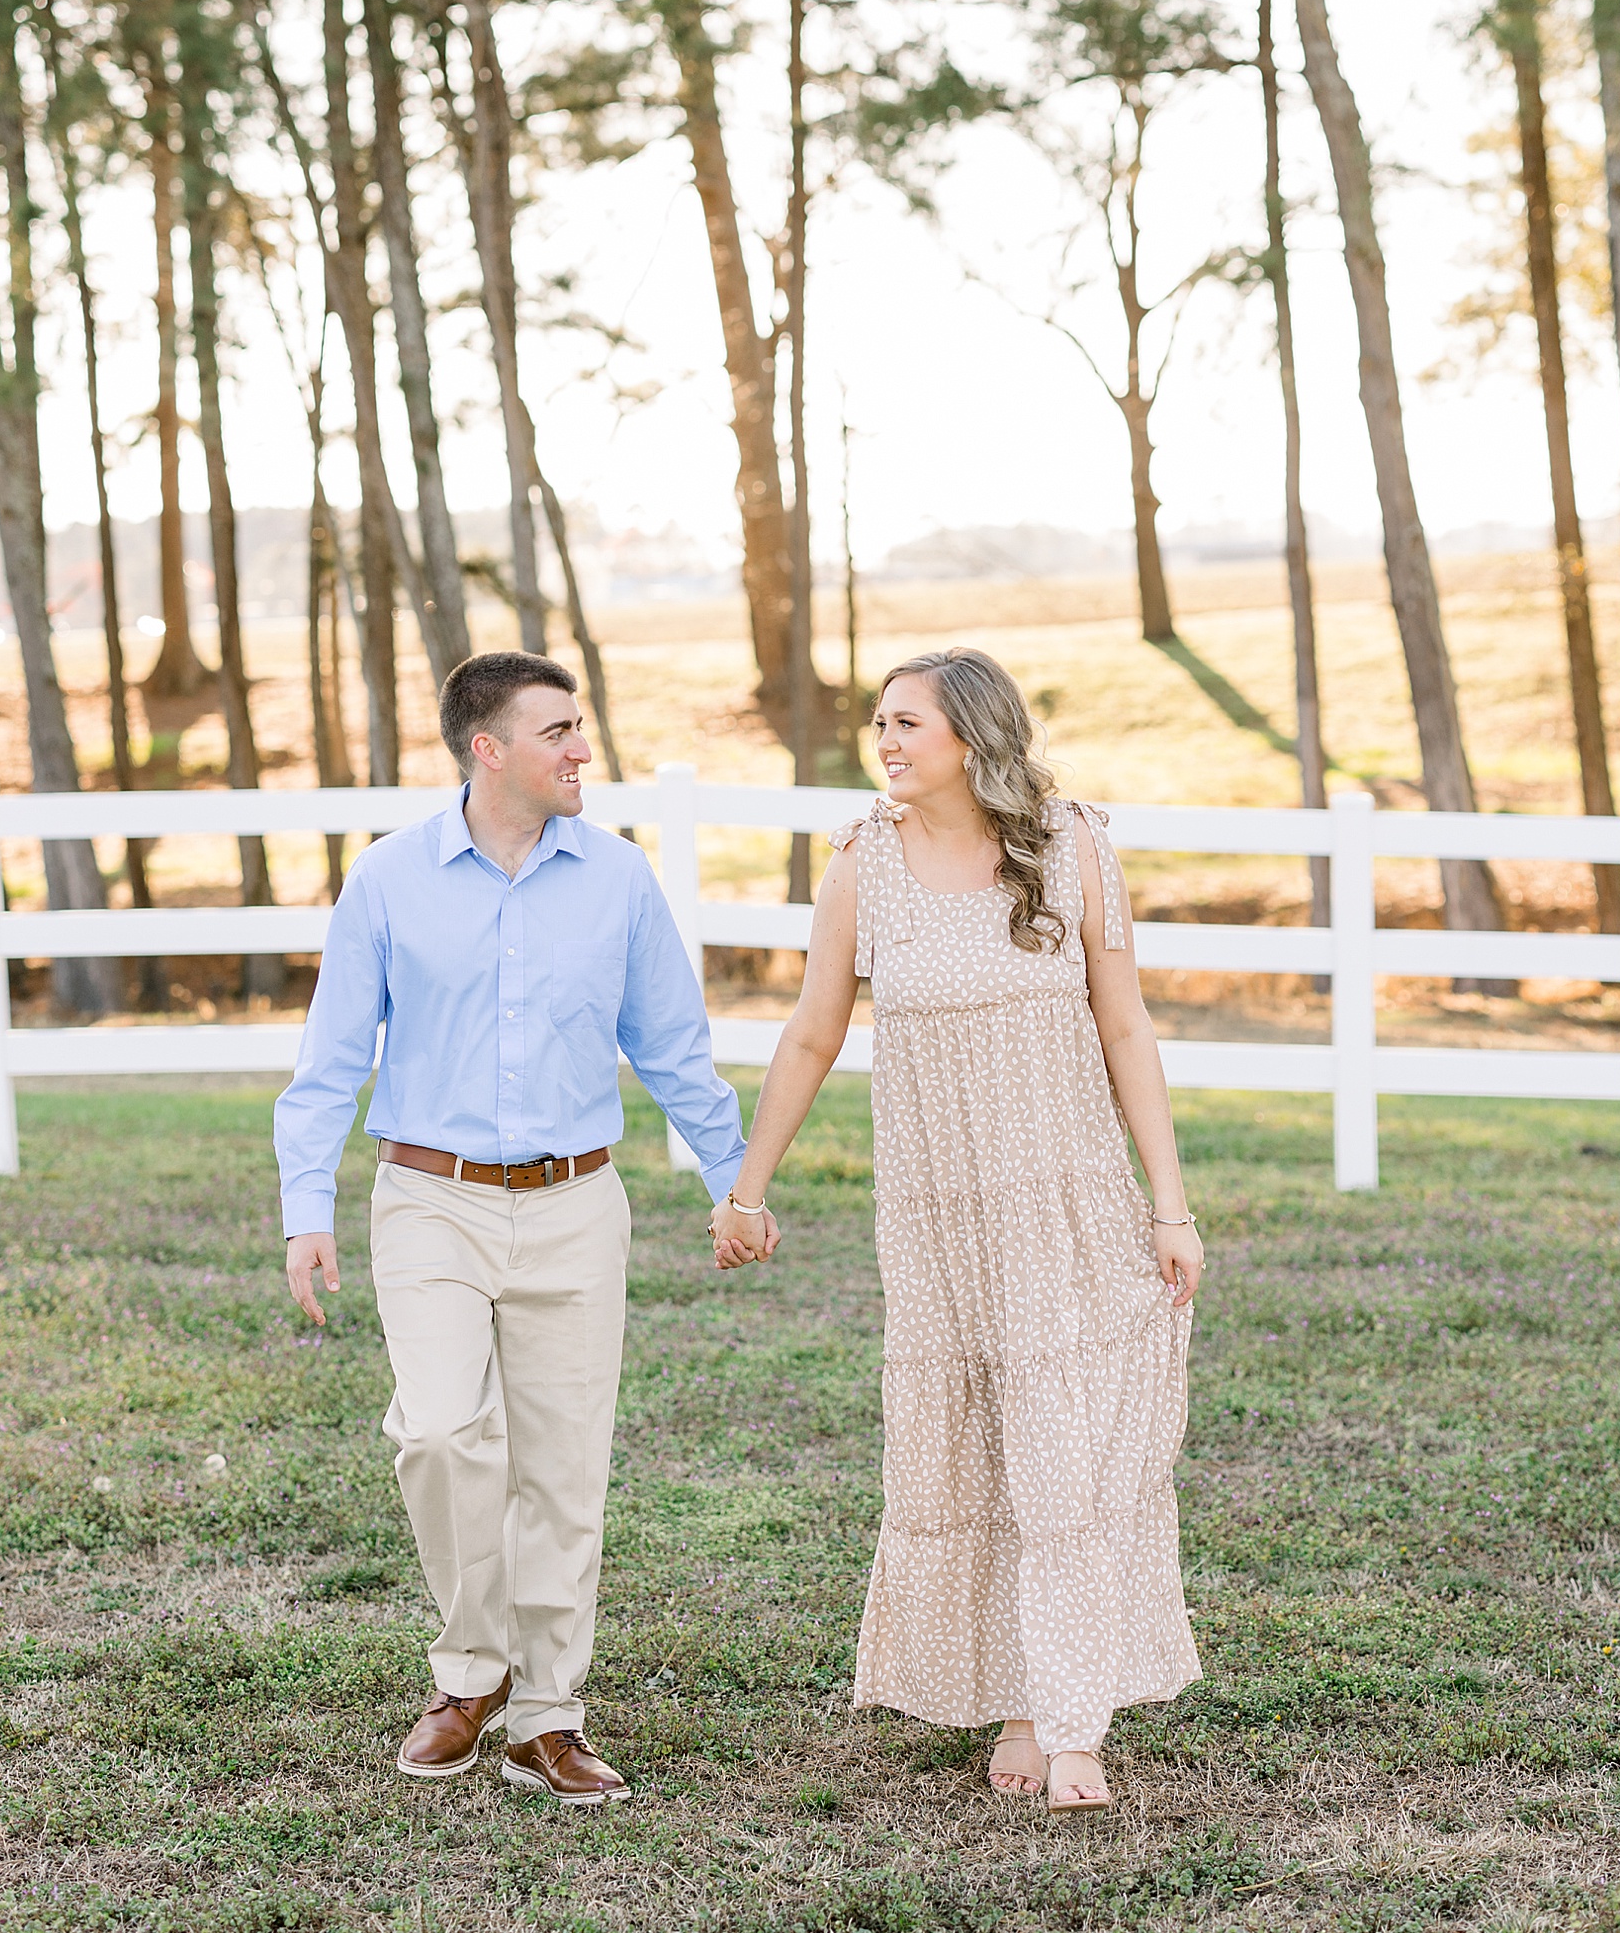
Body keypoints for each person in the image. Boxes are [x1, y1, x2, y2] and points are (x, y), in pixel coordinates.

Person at [708, 648, 1202, 1812]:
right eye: (878, 723)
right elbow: (810, 1033)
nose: (884, 742)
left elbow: (1126, 1028)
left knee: (1066, 1453)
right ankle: (1022, 1694)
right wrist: (748, 1186)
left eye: (907, 723)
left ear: (973, 739)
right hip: (936, 1220)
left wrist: (1168, 1204)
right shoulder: (861, 865)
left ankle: (1072, 1720)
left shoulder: (1070, 841)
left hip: (1065, 1196)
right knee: (982, 1455)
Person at [277, 651, 766, 1805]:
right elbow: (331, 1060)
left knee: (562, 1469)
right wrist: (309, 1207)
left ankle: (546, 1714)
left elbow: (674, 1049)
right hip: (429, 1198)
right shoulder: (390, 880)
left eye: (581, 726)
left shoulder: (618, 880)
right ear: (486, 747)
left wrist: (734, 1180)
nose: (581, 749)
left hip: (575, 1203)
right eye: (557, 731)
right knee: (442, 1434)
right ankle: (472, 1666)